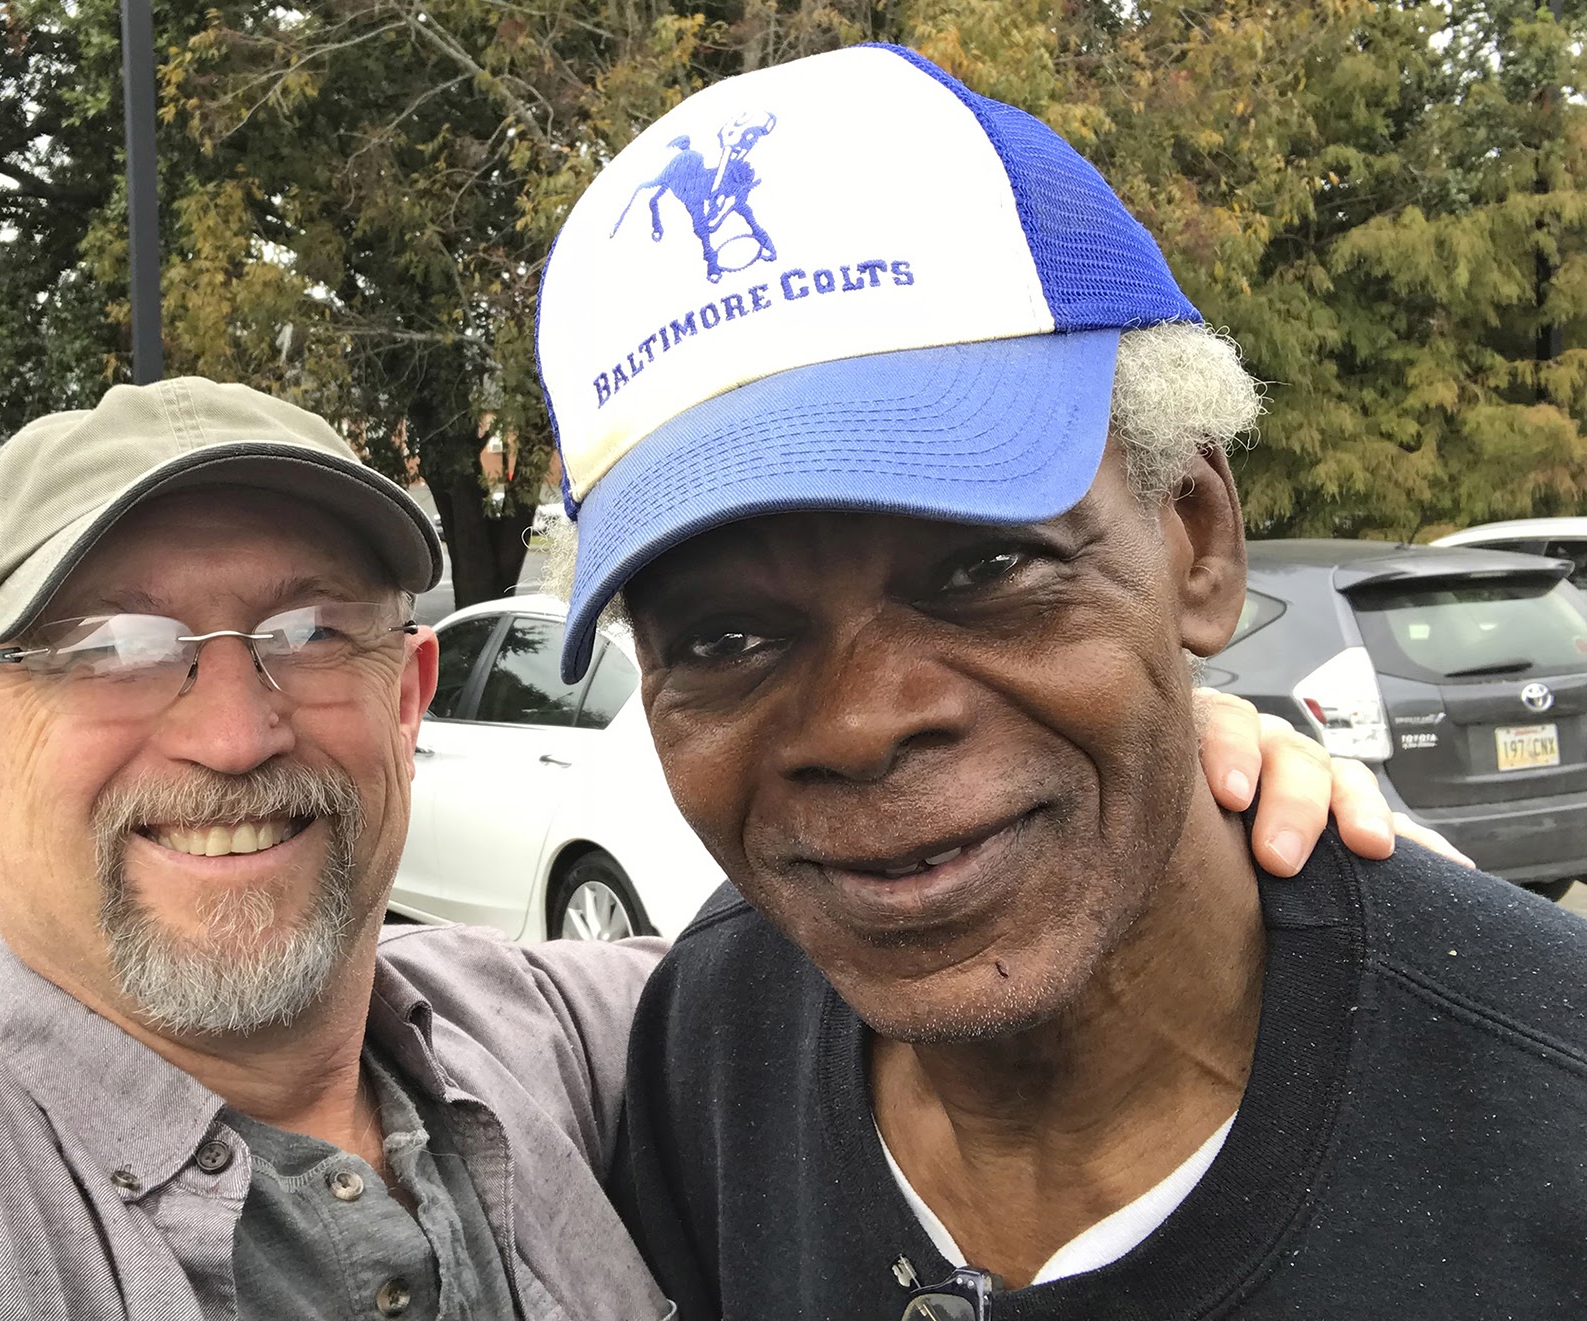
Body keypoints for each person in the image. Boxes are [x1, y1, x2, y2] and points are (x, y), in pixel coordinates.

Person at [0, 378, 1404, 1319]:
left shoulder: (568, 1046)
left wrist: (1151, 767)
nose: (233, 731)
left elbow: (876, 948)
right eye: (118, 654)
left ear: (404, 696)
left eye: (310, 633)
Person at [533, 43, 1587, 1319]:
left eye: (981, 565)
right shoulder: (717, 1032)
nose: (862, 723)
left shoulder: (1544, 1113)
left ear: (1194, 536)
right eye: (722, 642)